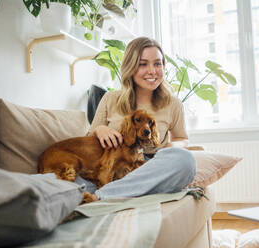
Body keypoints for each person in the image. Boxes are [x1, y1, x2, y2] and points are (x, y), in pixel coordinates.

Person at [76, 37, 196, 201]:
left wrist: (171, 146)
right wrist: (99, 129)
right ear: (130, 67)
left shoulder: (173, 104)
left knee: (185, 161)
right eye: (143, 64)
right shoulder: (110, 99)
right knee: (64, 183)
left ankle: (102, 195)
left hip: (148, 167)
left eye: (157, 64)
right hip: (111, 167)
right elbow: (87, 142)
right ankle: (124, 191)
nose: (152, 71)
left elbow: (182, 138)